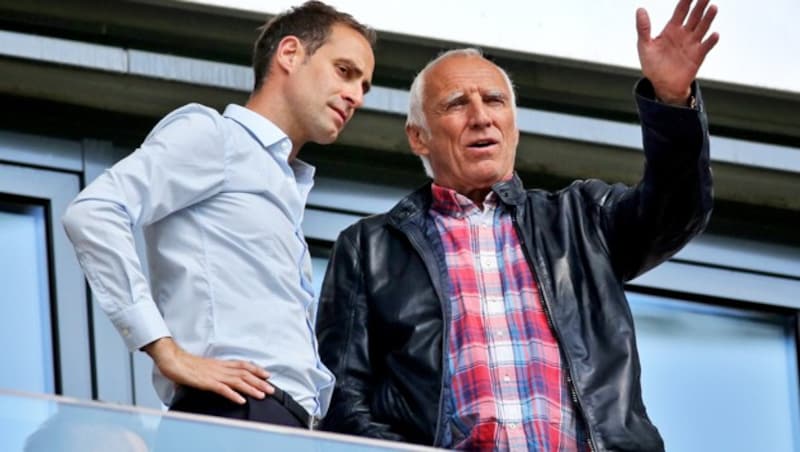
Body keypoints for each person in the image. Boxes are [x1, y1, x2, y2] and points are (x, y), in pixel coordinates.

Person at [316, 0, 717, 450]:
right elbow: (341, 400)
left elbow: (678, 210)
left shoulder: (581, 219)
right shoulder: (369, 248)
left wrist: (672, 104)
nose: (481, 116)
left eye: (494, 100)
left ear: (514, 125)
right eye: (455, 104)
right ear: (418, 136)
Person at [62, 1, 375, 430]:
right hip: (234, 412)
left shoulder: (282, 181)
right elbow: (94, 212)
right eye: (345, 71)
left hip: (279, 422)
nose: (356, 96)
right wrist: (166, 350)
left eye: (364, 86)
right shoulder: (216, 136)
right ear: (289, 54)